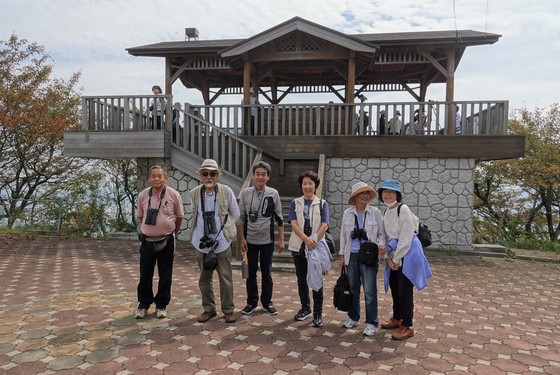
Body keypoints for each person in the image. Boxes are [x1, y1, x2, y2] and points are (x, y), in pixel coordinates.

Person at [377, 179, 432, 340]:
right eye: (385, 192)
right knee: (395, 286)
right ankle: (397, 318)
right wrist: (387, 257)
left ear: (397, 194)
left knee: (404, 289)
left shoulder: (403, 209)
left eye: (391, 192)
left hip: (408, 253)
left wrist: (396, 259)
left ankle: (407, 325)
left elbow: (406, 237)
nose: (387, 195)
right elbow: (386, 236)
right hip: (396, 252)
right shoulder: (387, 212)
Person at [190, 159, 240, 323]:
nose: (208, 177)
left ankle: (228, 310)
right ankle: (209, 309)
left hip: (222, 242)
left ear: (218, 175)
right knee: (204, 279)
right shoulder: (195, 192)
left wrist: (226, 231)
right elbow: (195, 214)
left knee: (225, 278)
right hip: (201, 243)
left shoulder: (226, 191)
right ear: (201, 175)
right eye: (205, 174)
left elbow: (235, 213)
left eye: (212, 173)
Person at [135, 165, 184, 319]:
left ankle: (161, 305)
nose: (156, 179)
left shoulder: (174, 194)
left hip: (167, 240)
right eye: (154, 176)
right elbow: (140, 216)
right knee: (145, 274)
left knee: (165, 274)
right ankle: (143, 304)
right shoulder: (143, 195)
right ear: (149, 178)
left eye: (159, 176)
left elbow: (180, 216)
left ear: (165, 178)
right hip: (147, 242)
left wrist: (171, 231)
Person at [237, 161, 285, 316]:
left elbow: (279, 217)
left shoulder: (273, 193)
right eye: (257, 174)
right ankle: (251, 303)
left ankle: (267, 303)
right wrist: (242, 239)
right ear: (253, 176)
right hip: (249, 241)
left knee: (267, 273)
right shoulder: (245, 193)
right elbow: (241, 218)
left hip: (267, 241)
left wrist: (281, 239)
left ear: (268, 177)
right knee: (250, 273)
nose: (260, 177)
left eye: (263, 174)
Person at [339, 182, 386, 336]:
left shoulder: (375, 212)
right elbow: (343, 236)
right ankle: (353, 317)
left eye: (367, 193)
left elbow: (381, 233)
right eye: (361, 193)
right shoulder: (348, 213)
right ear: (355, 197)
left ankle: (372, 322)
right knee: (353, 288)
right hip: (351, 254)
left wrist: (380, 245)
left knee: (370, 291)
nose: (365, 196)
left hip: (368, 255)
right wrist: (341, 255)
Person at [287, 170, 330, 327]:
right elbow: (293, 223)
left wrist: (314, 239)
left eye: (310, 183)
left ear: (315, 186)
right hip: (299, 246)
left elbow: (325, 224)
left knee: (317, 279)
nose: (307, 186)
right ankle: (305, 308)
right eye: (304, 183)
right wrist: (305, 239)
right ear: (301, 186)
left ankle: (318, 313)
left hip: (315, 247)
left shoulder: (322, 203)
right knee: (302, 279)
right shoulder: (295, 203)